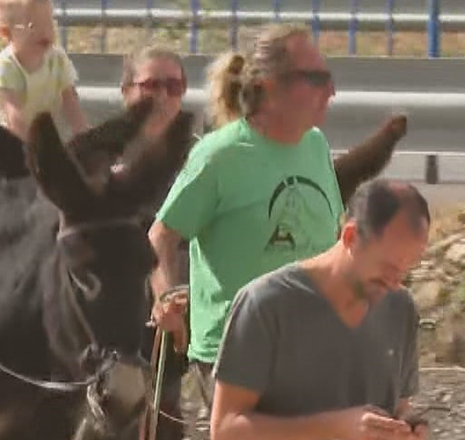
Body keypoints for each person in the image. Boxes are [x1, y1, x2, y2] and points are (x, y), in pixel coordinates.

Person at [148, 24, 341, 413]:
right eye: (316, 79)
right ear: (270, 86)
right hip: (236, 352)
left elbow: (334, 240)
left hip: (315, 347)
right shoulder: (221, 156)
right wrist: (167, 297)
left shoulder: (316, 146)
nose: (331, 91)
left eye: (329, 78)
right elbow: (162, 234)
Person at [210, 179, 430, 440]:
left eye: (407, 270)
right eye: (388, 268)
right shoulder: (265, 306)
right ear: (350, 237)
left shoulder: (399, 308)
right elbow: (225, 429)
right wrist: (334, 428)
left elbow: (399, 406)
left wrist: (408, 426)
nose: (396, 283)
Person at [118, 44, 193, 440]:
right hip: (120, 321)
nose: (163, 96)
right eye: (150, 85)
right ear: (126, 91)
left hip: (185, 316)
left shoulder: (202, 160)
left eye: (174, 85)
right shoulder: (106, 160)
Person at [0, 0, 89, 141]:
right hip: (4, 138)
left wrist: (84, 137)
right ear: (6, 33)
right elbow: (14, 117)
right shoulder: (5, 67)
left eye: (49, 23)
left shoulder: (57, 60)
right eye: (34, 26)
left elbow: (71, 103)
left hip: (42, 136)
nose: (45, 31)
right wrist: (32, 150)